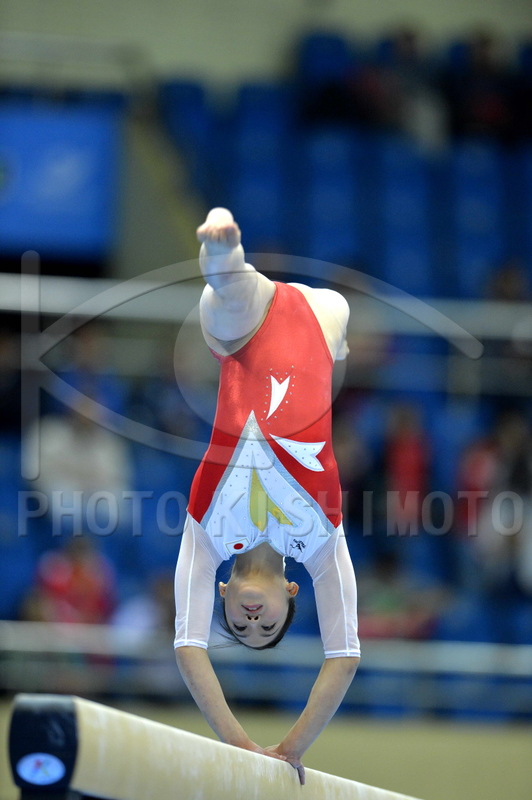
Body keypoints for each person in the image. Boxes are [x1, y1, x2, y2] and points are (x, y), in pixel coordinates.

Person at [173, 208, 360, 784]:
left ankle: (222, 255)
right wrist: (289, 748)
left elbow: (187, 646)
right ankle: (226, 264)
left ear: (223, 593)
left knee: (227, 306)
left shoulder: (206, 534)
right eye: (268, 628)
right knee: (289, 308)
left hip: (247, 332)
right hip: (325, 321)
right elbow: (344, 656)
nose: (252, 623)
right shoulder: (322, 543)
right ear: (290, 591)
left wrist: (240, 747)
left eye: (240, 627)